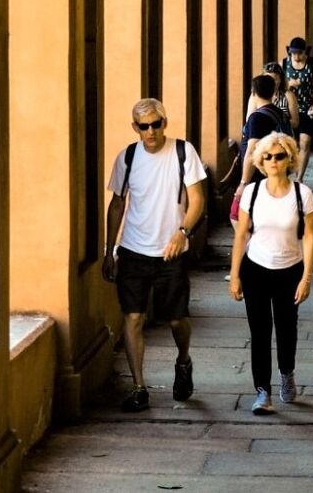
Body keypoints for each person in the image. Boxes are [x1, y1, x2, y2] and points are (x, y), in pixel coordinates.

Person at [103, 98, 207, 412]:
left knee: (176, 320)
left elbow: (197, 199)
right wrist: (110, 250)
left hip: (170, 252)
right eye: (144, 126)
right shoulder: (128, 157)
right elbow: (117, 204)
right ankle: (139, 387)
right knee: (133, 317)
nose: (151, 131)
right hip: (134, 250)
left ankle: (184, 360)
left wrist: (183, 232)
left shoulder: (182, 152)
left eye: (156, 124)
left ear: (165, 122)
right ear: (135, 127)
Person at [228, 132, 313, 413]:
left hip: (290, 269)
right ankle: (262, 391)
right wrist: (235, 275)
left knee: (287, 327)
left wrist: (306, 277)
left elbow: (310, 237)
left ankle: (286, 373)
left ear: (289, 158)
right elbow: (241, 235)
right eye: (267, 157)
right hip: (255, 268)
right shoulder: (252, 194)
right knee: (260, 331)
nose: (273, 161)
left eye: (279, 156)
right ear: (260, 162)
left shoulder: (302, 194)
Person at [235, 74, 293, 214]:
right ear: (273, 92)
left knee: (236, 214)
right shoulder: (280, 113)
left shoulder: (257, 118)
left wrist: (243, 183)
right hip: (276, 172)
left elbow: (251, 151)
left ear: (253, 93)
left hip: (258, 176)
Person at [282, 36, 313, 181]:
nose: (297, 56)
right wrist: (290, 84)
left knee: (305, 142)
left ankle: (299, 178)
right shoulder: (284, 64)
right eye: (293, 53)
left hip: (307, 108)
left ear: (305, 52)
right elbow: (277, 87)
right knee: (289, 144)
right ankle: (287, 173)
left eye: (299, 53)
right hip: (288, 109)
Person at [248, 62, 300, 131]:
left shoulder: (288, 95)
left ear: (281, 80)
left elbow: (295, 123)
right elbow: (249, 120)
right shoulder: (255, 95)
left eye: (274, 79)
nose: (271, 82)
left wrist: (274, 122)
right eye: (268, 79)